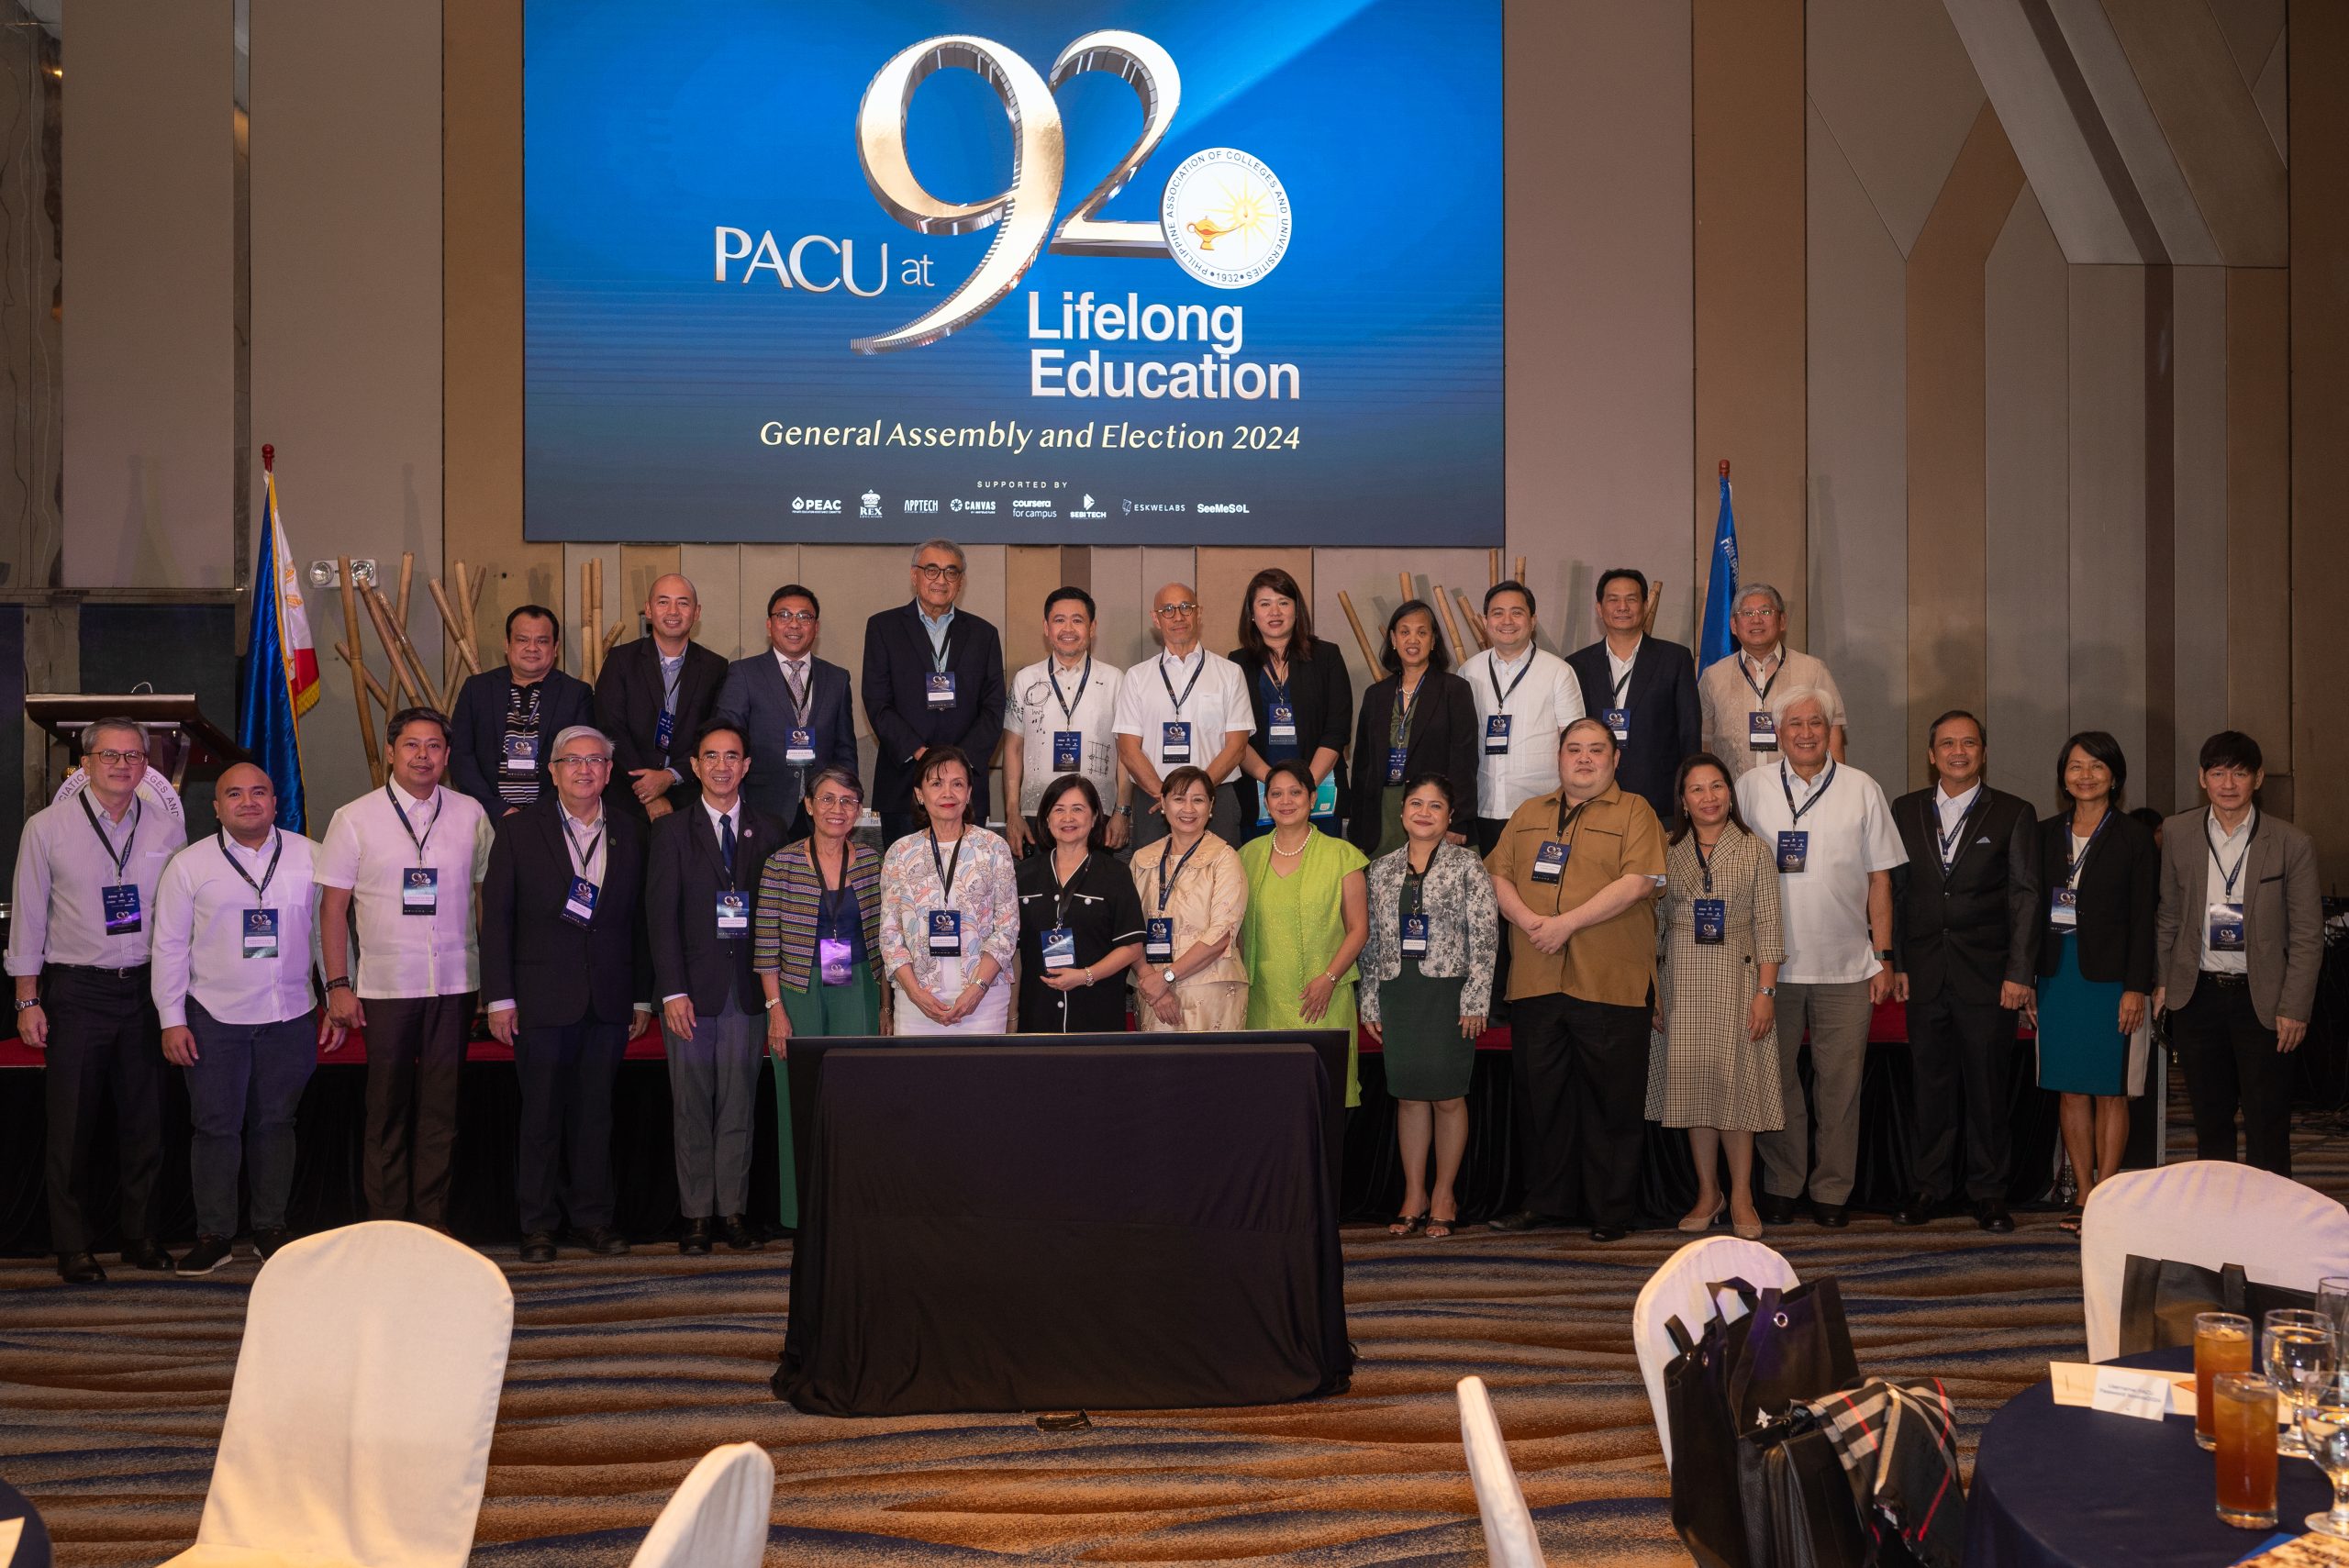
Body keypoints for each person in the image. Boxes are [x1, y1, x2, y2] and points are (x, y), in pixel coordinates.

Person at [8, 718, 187, 1282]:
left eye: (133, 756)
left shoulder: (167, 830)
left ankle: (140, 1237)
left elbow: (180, 920)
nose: (122, 765)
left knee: (147, 1124)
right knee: (72, 1127)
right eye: (109, 755)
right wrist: (27, 999)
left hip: (146, 990)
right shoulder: (47, 827)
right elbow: (28, 917)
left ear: (146, 765)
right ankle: (73, 1246)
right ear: (85, 764)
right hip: (77, 991)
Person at [150, 764, 343, 1274]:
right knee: (215, 1128)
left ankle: (270, 1228)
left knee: (276, 1124)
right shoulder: (188, 865)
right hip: (214, 1020)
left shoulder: (312, 856)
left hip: (291, 1016)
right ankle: (214, 1234)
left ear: (275, 803)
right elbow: (168, 947)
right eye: (234, 794)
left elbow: (329, 933)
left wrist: (336, 996)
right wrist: (171, 1019)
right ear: (217, 808)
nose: (248, 801)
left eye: (259, 792)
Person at [1486, 719, 1667, 1241]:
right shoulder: (1528, 813)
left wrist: (1565, 924)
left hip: (1610, 980)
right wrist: (1529, 921)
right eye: (1574, 749)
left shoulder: (1635, 810)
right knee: (1541, 1099)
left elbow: (1639, 882)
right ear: (1559, 756)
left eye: (1596, 750)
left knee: (1613, 1101)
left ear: (1615, 759)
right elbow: (1497, 874)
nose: (1584, 758)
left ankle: (1610, 1211)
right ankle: (1546, 1203)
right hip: (1536, 979)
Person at [317, 706, 495, 1232]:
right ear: (391, 752)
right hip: (386, 988)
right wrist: (338, 985)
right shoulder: (354, 817)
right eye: (412, 745)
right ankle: (387, 1226)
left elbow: (484, 898)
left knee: (442, 1111)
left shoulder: (470, 813)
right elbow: (332, 909)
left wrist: (492, 982)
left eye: (434, 746)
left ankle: (432, 1226)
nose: (423, 755)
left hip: (455, 983)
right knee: (386, 1111)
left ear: (447, 755)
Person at [482, 725, 651, 1262]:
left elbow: (640, 921)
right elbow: (496, 919)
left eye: (595, 760)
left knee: (595, 1115)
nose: (584, 769)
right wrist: (499, 997)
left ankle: (592, 1220)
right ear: (552, 771)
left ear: (608, 771)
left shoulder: (631, 830)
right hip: (540, 999)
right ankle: (537, 1225)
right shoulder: (518, 831)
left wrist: (641, 996)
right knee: (541, 1117)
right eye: (572, 760)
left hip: (609, 999)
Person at [1734, 687, 1903, 1228]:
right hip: (1771, 967)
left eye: (1816, 723)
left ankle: (1833, 1189)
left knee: (1840, 1085)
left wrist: (1884, 956)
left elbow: (1880, 880)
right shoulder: (1751, 787)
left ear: (1831, 731)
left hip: (1847, 966)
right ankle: (1782, 1183)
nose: (1806, 733)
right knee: (1775, 1080)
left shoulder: (1862, 788)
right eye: (1794, 724)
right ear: (1777, 732)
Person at [1887, 711, 2039, 1232]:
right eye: (1948, 744)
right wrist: (1896, 961)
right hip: (1924, 973)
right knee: (1929, 1087)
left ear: (1983, 753)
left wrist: (2021, 972)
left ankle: (1988, 1193)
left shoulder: (2013, 813)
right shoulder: (1905, 809)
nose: (1958, 752)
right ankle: (1929, 1188)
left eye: (1969, 743)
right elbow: (1897, 892)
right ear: (1931, 755)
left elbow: (2025, 897)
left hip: (1989, 976)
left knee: (1988, 1090)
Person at [2155, 730, 2322, 1176]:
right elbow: (2168, 915)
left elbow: (2308, 934)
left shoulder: (2291, 842)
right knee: (2210, 1120)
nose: (2228, 784)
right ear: (2202, 778)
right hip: (2197, 996)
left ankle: (2268, 1215)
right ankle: (2218, 1210)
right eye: (2218, 773)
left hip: (2263, 1001)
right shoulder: (2178, 832)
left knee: (2268, 1121)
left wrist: (2295, 1007)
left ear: (2258, 778)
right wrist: (2163, 982)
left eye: (2240, 773)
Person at [646, 721, 784, 1254]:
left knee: (738, 1108)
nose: (722, 766)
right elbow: (660, 918)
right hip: (690, 996)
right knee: (691, 1108)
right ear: (695, 766)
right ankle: (696, 1216)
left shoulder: (770, 829)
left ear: (746, 766)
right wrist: (671, 991)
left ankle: (732, 1212)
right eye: (711, 756)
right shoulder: (671, 831)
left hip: (747, 993)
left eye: (732, 756)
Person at [1648, 754, 1783, 1243]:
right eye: (1697, 789)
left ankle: (1742, 1195)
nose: (1709, 797)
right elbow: (1653, 926)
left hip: (1738, 980)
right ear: (1683, 801)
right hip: (1680, 982)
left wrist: (1765, 993)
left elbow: (1770, 926)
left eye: (1717, 786)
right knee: (1693, 1092)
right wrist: (1654, 993)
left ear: (1730, 793)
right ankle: (1709, 1193)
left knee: (1736, 1091)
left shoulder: (1754, 849)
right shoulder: (1666, 848)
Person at [1358, 774, 1497, 1240]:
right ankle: (1413, 1194)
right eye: (1415, 803)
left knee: (1448, 1096)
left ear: (1449, 816)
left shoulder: (1467, 865)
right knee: (1409, 1095)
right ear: (1401, 813)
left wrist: (1476, 997)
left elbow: (1485, 936)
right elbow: (1370, 941)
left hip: (1449, 994)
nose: (1423, 813)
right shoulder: (1380, 869)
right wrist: (1370, 999)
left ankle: (1444, 1195)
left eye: (1435, 806)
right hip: (1398, 992)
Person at [2031, 731, 2156, 1227]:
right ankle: (2083, 1192)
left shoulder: (2134, 837)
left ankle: (2108, 1192)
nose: (2086, 776)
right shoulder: (2043, 834)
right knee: (2069, 1088)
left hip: (2111, 980)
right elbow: (2028, 909)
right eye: (2076, 766)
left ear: (2115, 776)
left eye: (2097, 766)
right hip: (2057, 976)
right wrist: (2027, 977)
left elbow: (2145, 917)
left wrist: (2136, 986)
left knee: (2111, 1090)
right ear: (2063, 776)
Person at [1240, 760, 1370, 1104]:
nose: (1286, 801)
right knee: (1270, 1105)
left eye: (1295, 792)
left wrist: (1329, 978)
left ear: (1312, 798)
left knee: (1322, 1104)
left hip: (1323, 1000)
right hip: (1263, 1002)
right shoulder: (1246, 856)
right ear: (1266, 802)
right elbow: (1236, 932)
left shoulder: (1342, 855)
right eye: (1276, 794)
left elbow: (1359, 930)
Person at [863, 541, 1007, 846]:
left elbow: (993, 708)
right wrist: (920, 753)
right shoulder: (883, 628)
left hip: (965, 786)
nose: (941, 579)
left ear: (961, 581)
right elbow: (877, 702)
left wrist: (958, 764)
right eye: (932, 570)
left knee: (968, 872)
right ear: (914, 575)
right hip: (904, 783)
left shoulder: (984, 634)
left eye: (951, 572)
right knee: (907, 873)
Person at [877, 747, 1019, 1033]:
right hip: (917, 1003)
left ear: (969, 793)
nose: (948, 793)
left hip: (984, 999)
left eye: (957, 784)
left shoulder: (993, 848)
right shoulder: (900, 853)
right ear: (920, 794)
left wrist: (977, 989)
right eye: (936, 784)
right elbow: (890, 935)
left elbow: (1007, 928)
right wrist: (915, 994)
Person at [1114, 581, 1253, 848]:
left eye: (1186, 607)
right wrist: (1165, 796)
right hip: (1153, 800)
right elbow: (1128, 750)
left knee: (1219, 873)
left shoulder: (1230, 673)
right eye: (1167, 610)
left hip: (1216, 798)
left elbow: (1237, 747)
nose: (1177, 616)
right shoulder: (1137, 677)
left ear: (1199, 613)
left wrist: (1198, 795)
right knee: (1153, 873)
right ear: (1156, 618)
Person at [713, 584, 858, 840]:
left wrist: (846, 802)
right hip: (760, 807)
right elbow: (727, 744)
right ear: (769, 625)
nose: (794, 624)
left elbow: (844, 749)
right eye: (784, 615)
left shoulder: (837, 678)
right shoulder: (744, 673)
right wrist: (734, 805)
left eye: (804, 617)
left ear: (816, 627)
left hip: (821, 812)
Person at [1565, 568, 1700, 823]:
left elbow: (1689, 731)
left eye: (1631, 599)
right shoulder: (1577, 664)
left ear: (1645, 606)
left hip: (1659, 798)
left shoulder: (1675, 659)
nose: (1622, 607)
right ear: (1599, 608)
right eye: (1613, 599)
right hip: (1594, 796)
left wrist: (1689, 789)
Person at [1014, 775, 1147, 1032]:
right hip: (1038, 1015)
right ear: (1046, 818)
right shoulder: (1023, 875)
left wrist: (1086, 975)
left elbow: (1132, 947)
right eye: (1059, 810)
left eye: (1077, 809)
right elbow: (1014, 953)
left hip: (1096, 1013)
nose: (1068, 818)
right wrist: (1012, 1016)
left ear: (1095, 817)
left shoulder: (1115, 874)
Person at [1460, 581, 1585, 854]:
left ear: (1533, 620)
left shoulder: (1558, 672)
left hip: (1541, 808)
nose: (1507, 621)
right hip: (1482, 807)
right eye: (1498, 613)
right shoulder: (1468, 672)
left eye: (1516, 612)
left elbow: (1575, 744)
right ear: (1485, 621)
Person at [1347, 600, 1479, 858]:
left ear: (1433, 640)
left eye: (1422, 632)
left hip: (1433, 814)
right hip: (1383, 815)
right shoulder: (1375, 695)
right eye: (1405, 632)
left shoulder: (1454, 690)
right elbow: (1363, 766)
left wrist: (1458, 820)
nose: (1413, 640)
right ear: (1393, 639)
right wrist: (1359, 827)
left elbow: (1464, 761)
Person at [1002, 586, 1128, 857]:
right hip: (1037, 811)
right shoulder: (1025, 679)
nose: (1068, 628)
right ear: (1046, 627)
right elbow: (1013, 749)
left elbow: (1126, 753)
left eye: (1077, 620)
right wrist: (1012, 812)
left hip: (1098, 812)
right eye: (1059, 620)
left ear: (1092, 627)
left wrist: (1122, 811)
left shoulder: (1115, 680)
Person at [1229, 567, 1351, 840]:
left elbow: (1337, 730)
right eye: (1265, 604)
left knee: (1320, 864)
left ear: (1297, 610)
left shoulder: (1327, 656)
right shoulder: (1237, 663)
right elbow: (1235, 736)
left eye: (1283, 603)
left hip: (1319, 790)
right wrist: (1276, 787)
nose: (1275, 612)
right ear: (1252, 613)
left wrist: (1303, 788)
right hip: (1259, 793)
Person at [595, 573, 727, 824]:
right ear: (648, 609)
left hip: (688, 797)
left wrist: (669, 776)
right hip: (627, 798)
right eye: (663, 602)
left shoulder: (715, 667)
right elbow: (609, 728)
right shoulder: (621, 660)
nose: (673, 611)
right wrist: (647, 790)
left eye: (683, 603)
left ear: (697, 612)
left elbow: (713, 734)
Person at [1128, 767, 1251, 1032]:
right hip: (1153, 994)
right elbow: (1129, 931)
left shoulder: (1225, 857)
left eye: (1198, 800)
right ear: (1163, 803)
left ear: (1211, 806)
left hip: (1211, 991)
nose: (1188, 809)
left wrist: (1167, 977)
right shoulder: (1142, 859)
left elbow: (1222, 933)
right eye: (1179, 799)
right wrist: (1152, 980)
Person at [450, 604, 595, 817]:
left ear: (555, 648)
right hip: (485, 814)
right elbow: (460, 756)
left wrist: (535, 815)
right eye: (522, 640)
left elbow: (582, 760)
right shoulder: (477, 689)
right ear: (507, 644)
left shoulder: (575, 694)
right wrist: (497, 808)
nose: (532, 648)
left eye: (542, 641)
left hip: (551, 816)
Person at [1697, 583, 1849, 777]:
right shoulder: (1713, 676)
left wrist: (1834, 788)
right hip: (1735, 791)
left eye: (1766, 612)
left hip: (1800, 790)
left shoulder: (1813, 670)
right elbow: (1703, 742)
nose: (1756, 620)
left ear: (1782, 621)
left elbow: (1833, 736)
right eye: (1747, 613)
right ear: (1734, 625)